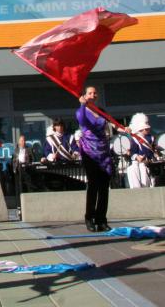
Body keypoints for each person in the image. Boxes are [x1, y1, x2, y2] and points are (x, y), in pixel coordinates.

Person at [76, 86, 112, 232]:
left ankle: (101, 219)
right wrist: (82, 104)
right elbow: (83, 121)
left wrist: (125, 129)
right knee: (93, 185)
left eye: (95, 93)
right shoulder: (81, 110)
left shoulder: (101, 111)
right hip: (89, 152)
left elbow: (110, 123)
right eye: (90, 93)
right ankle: (89, 218)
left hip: (103, 151)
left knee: (104, 186)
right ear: (85, 95)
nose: (93, 95)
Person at [125, 113, 155, 189]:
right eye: (145, 128)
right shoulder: (134, 138)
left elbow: (153, 151)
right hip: (138, 164)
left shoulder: (151, 138)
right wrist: (137, 157)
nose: (147, 129)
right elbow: (133, 152)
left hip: (149, 164)